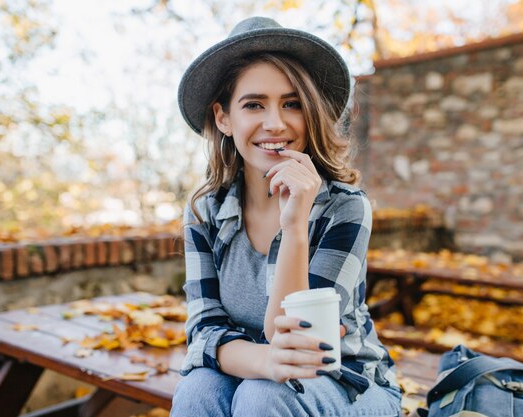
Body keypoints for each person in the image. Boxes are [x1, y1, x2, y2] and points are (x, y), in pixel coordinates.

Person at [171, 16, 401, 417]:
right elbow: (203, 330)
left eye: (291, 103)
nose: (275, 123)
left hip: (348, 384)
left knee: (263, 396)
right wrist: (262, 361)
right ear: (224, 118)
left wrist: (295, 226)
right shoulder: (204, 213)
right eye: (254, 104)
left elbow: (296, 339)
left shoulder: (344, 208)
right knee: (198, 389)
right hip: (252, 374)